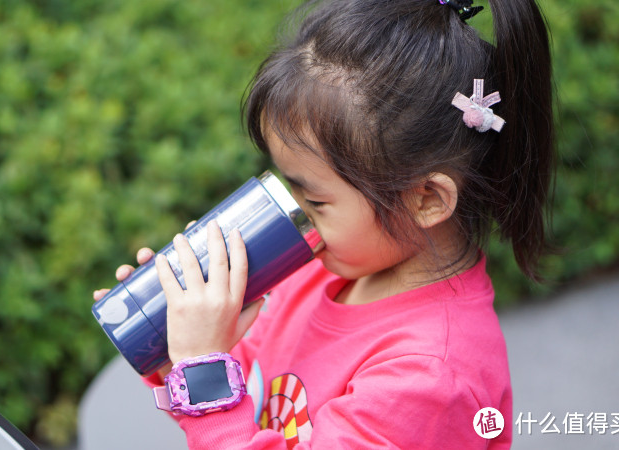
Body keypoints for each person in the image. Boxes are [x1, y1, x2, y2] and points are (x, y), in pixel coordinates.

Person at [93, 0, 553, 447]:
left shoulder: (430, 377)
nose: (290, 212)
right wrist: (181, 343)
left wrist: (202, 368)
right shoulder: (328, 266)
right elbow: (246, 400)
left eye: (312, 198)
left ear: (427, 199)